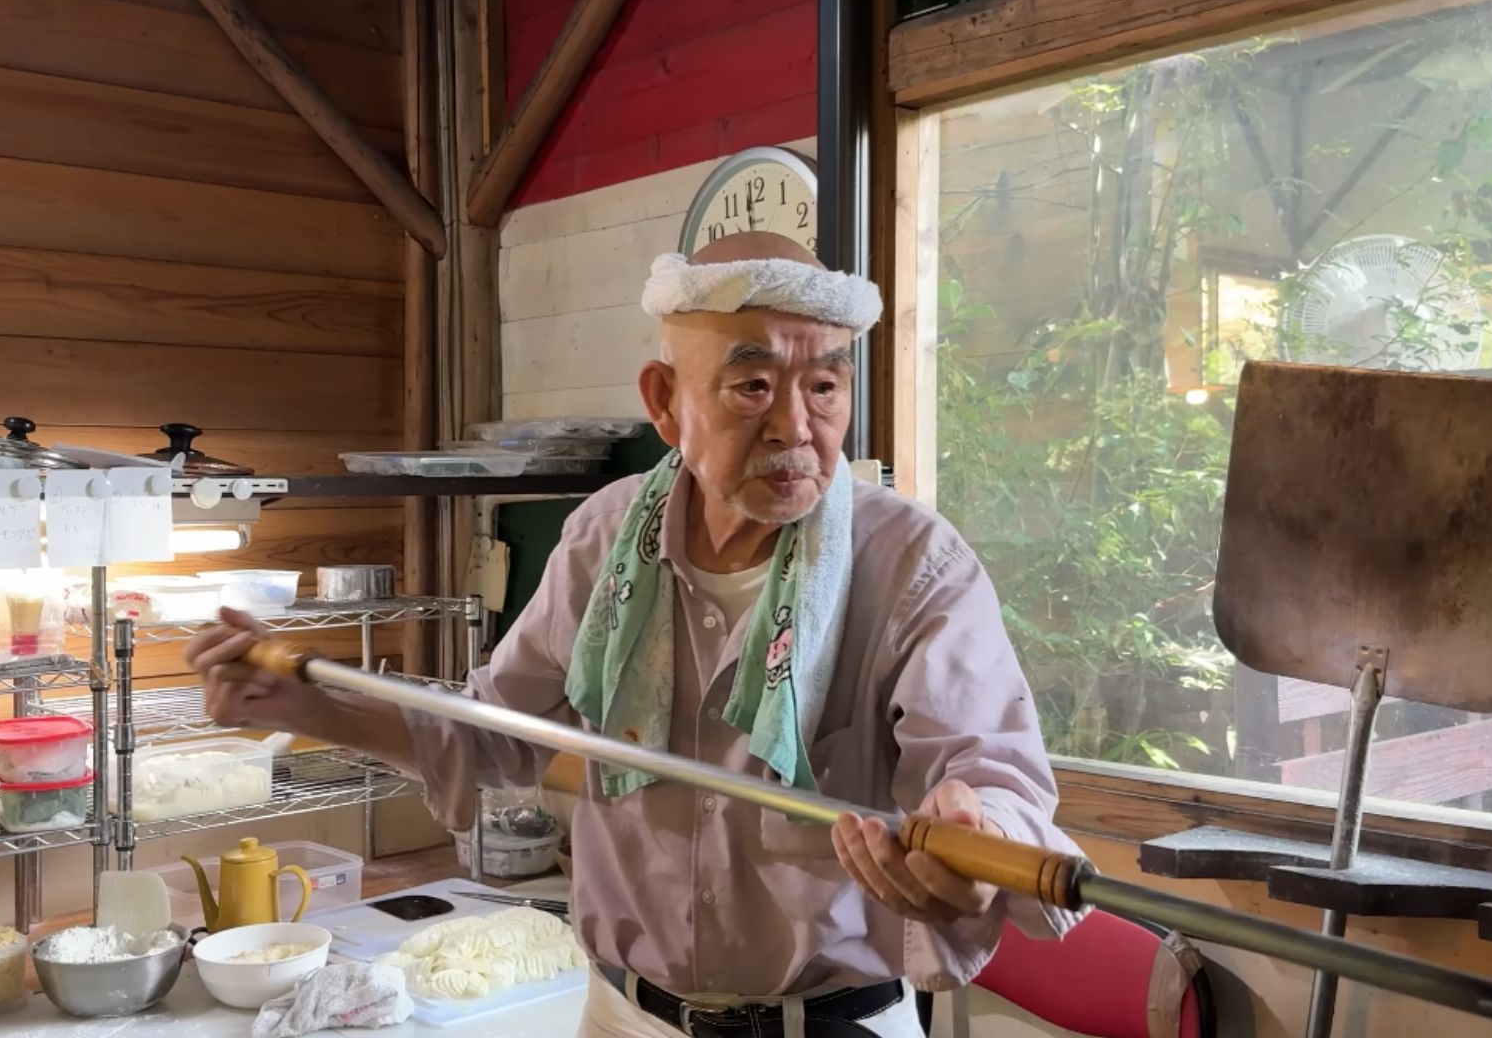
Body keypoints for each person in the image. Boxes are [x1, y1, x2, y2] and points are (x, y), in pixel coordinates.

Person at [186, 232, 1082, 1038]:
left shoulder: (911, 562)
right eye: (753, 385)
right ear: (665, 400)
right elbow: (500, 735)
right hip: (621, 1013)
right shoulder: (609, 536)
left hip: (829, 1025)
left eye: (825, 385)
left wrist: (974, 850)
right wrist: (305, 704)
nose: (797, 429)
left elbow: (993, 775)